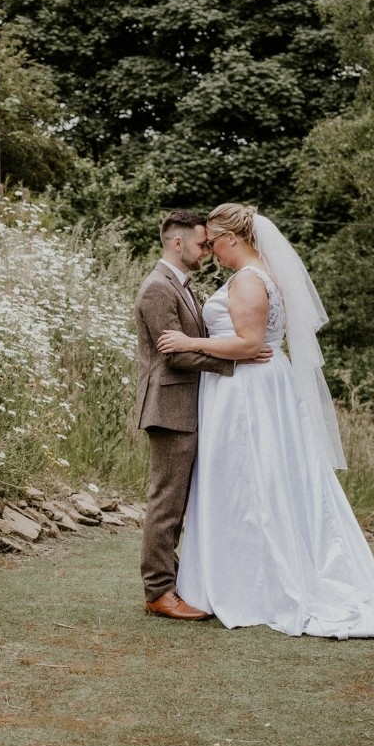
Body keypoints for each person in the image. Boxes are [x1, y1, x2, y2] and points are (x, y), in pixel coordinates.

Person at [157, 203, 374, 638]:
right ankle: (239, 573)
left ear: (234, 239)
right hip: (248, 384)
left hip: (247, 390)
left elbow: (249, 343)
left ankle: (256, 584)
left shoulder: (249, 281)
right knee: (247, 479)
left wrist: (189, 339)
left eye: (215, 242)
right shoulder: (256, 277)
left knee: (249, 477)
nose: (211, 251)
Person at [135, 210, 237, 621]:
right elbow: (175, 356)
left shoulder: (182, 285)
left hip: (188, 406)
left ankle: (181, 583)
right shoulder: (157, 289)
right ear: (178, 244)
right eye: (201, 244)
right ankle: (159, 591)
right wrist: (234, 364)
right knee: (167, 502)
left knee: (181, 499)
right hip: (170, 407)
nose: (206, 250)